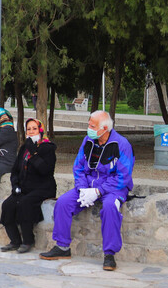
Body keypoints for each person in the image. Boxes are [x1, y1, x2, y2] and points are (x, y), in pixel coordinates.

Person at [40, 110, 135, 271]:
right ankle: (62, 247)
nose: (88, 128)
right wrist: (83, 188)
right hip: (88, 185)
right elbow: (78, 167)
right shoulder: (88, 140)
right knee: (63, 202)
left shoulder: (122, 145)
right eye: (89, 124)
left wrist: (98, 192)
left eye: (92, 125)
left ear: (104, 128)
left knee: (110, 208)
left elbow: (123, 177)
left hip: (113, 188)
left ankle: (109, 254)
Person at [0, 118, 57, 253]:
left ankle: (28, 241)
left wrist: (33, 153)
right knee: (8, 205)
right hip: (24, 187)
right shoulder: (24, 148)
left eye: (34, 129)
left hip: (43, 187)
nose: (31, 132)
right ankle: (14, 241)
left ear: (41, 130)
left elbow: (45, 170)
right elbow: (15, 170)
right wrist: (15, 185)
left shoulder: (47, 148)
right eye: (29, 129)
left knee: (25, 203)